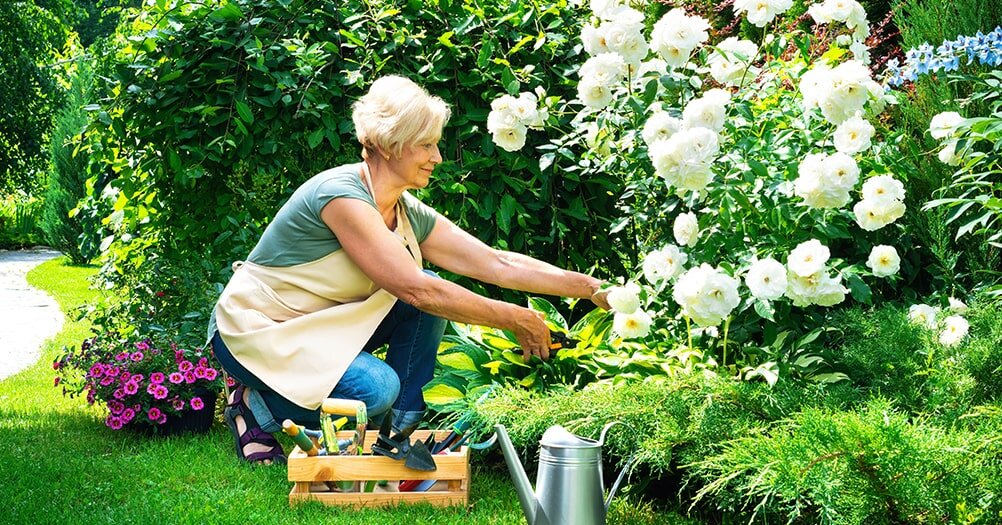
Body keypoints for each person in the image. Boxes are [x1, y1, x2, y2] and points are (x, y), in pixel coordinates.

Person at [208, 75, 610, 465]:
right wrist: (515, 318)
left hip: (322, 330)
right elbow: (417, 290)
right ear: (389, 144)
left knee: (427, 298)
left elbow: (495, 262)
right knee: (376, 388)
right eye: (426, 145)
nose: (437, 157)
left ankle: (396, 435)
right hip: (259, 332)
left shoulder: (402, 209)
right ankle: (254, 407)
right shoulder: (340, 197)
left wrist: (591, 288)